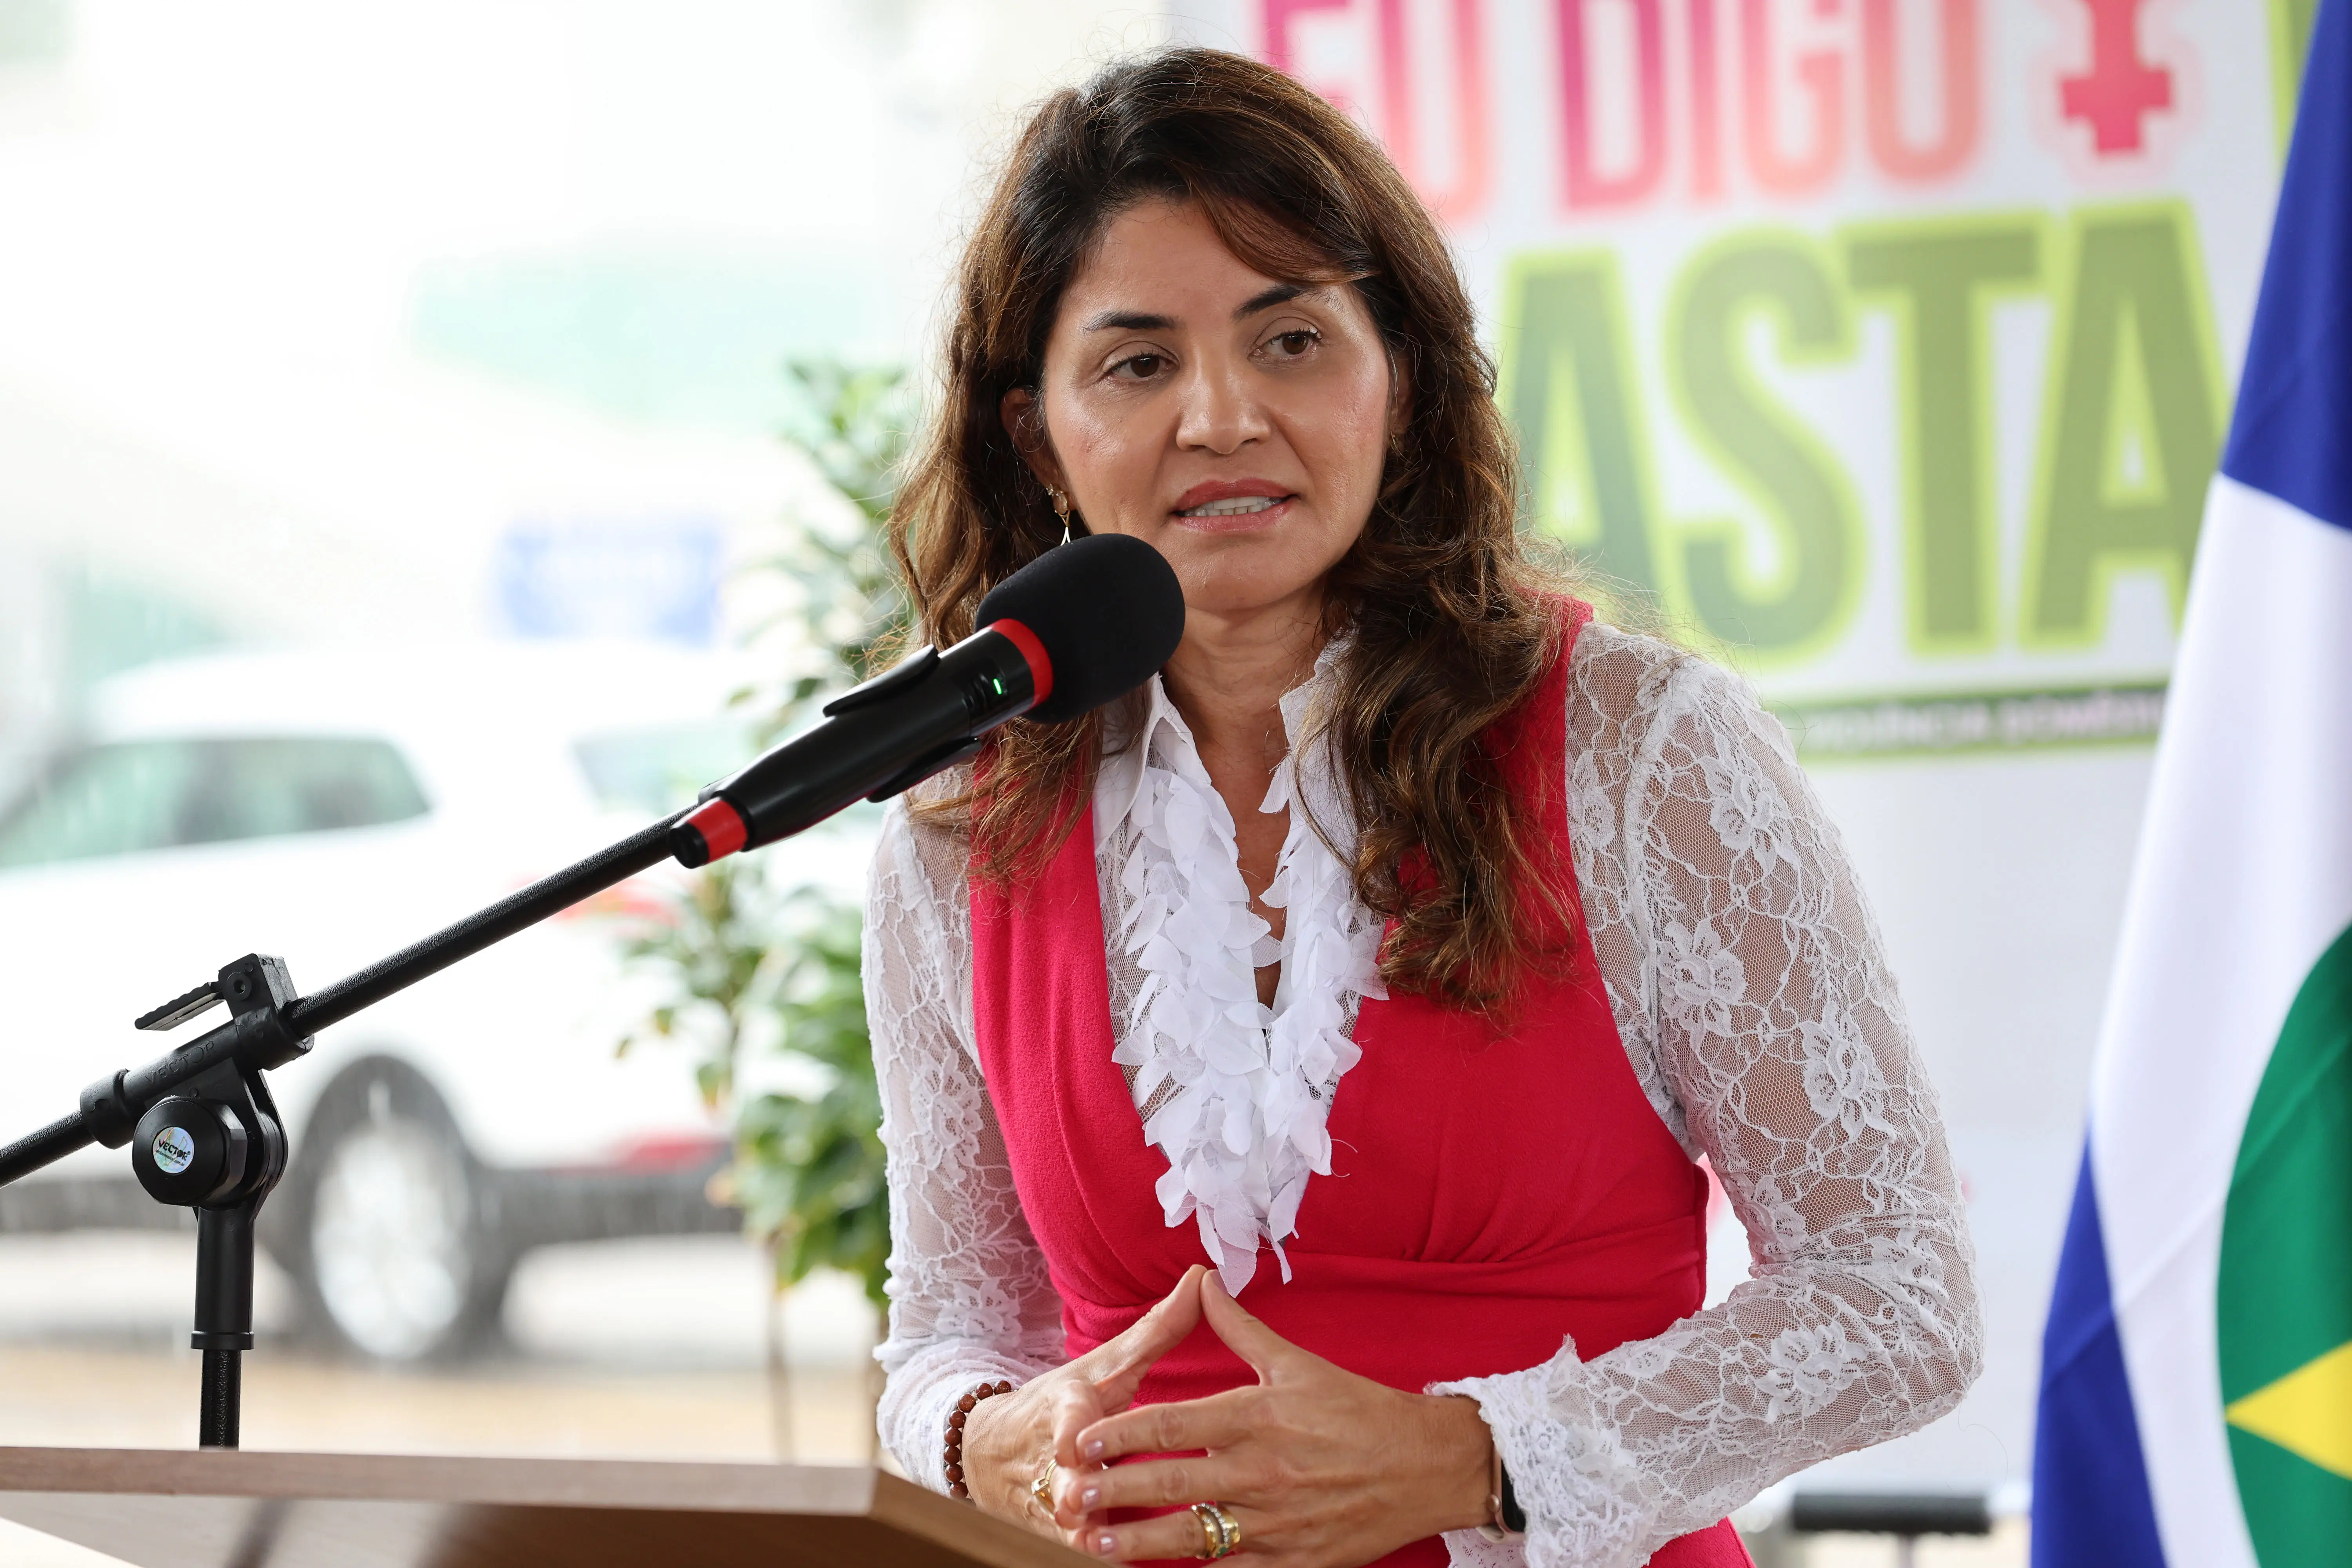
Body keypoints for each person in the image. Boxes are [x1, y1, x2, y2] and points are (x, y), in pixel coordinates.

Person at [864, 47, 1980, 1568]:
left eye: (1292, 340)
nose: (1220, 416)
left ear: (1402, 373)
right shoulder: (958, 826)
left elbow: (1897, 1288)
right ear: (1034, 433)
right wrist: (978, 1434)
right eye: (1137, 363)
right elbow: (948, 1328)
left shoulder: (1640, 750)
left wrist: (1479, 1457)